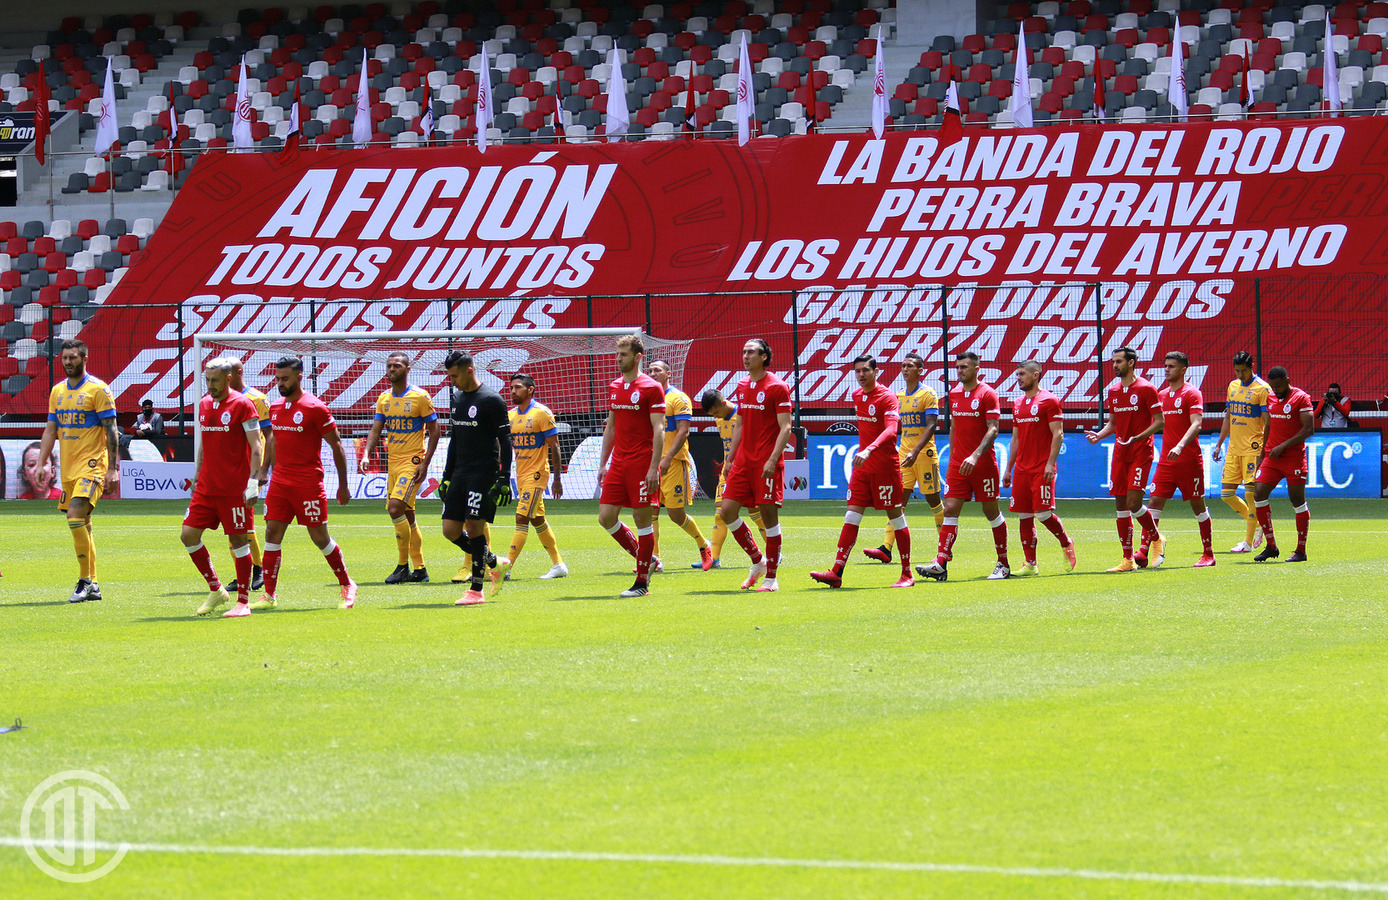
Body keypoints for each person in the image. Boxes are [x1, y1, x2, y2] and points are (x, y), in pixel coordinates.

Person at [255, 356, 357, 610]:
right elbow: (274, 442)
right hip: (279, 482)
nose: (280, 383)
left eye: (285, 378)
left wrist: (343, 485)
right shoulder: (276, 407)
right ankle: (269, 595)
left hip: (308, 483)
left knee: (319, 537)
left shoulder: (315, 407)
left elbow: (336, 445)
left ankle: (347, 584)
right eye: (277, 378)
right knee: (271, 533)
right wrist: (264, 470)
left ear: (299, 376)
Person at [812, 355, 913, 588]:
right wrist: (865, 453)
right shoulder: (857, 395)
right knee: (851, 516)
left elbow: (891, 430)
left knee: (895, 516)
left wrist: (869, 450)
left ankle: (907, 574)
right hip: (863, 469)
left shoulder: (887, 397)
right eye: (857, 371)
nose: (861, 375)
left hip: (885, 467)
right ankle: (836, 572)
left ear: (876, 371)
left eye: (865, 370)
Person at [37, 339, 119, 603]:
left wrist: (113, 469)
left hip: (94, 465)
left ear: (85, 359)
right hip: (69, 468)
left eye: (73, 357)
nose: (68, 362)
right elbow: (51, 430)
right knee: (82, 523)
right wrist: (41, 462)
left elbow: (111, 430)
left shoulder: (99, 390)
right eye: (65, 358)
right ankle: (93, 584)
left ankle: (84, 581)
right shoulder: (57, 391)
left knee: (74, 515)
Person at [916, 351, 1010, 582]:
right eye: (958, 367)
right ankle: (940, 563)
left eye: (964, 367)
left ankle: (1003, 564)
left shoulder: (988, 394)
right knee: (949, 509)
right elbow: (955, 425)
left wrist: (975, 456)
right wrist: (955, 454)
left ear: (977, 369)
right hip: (959, 464)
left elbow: (994, 428)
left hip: (983, 463)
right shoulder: (954, 394)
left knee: (991, 512)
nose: (960, 371)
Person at [185, 358, 264, 617]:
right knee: (188, 535)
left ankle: (242, 602)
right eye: (207, 380)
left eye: (215, 380)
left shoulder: (243, 405)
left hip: (234, 489)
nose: (210, 385)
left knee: (239, 541)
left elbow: (256, 446)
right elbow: (204, 443)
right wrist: (197, 475)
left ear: (228, 379)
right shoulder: (205, 404)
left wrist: (254, 482)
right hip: (207, 487)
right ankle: (216, 589)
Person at [717, 338, 793, 591]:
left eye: (751, 352)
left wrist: (773, 459)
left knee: (769, 518)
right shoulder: (741, 385)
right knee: (726, 511)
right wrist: (730, 458)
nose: (746, 356)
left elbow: (786, 427)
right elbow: (740, 424)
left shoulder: (778, 387)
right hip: (742, 462)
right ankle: (758, 561)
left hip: (765, 464)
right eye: (744, 352)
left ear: (764, 357)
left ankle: (771, 578)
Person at [361, 351, 440, 585]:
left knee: (395, 508)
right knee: (407, 515)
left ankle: (402, 566)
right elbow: (376, 429)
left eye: (397, 365)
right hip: (394, 464)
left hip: (413, 463)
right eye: (389, 366)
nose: (391, 369)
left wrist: (425, 463)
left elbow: (435, 431)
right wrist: (366, 453)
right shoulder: (384, 398)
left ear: (407, 369)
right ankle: (420, 568)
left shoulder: (420, 397)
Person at [440, 350, 513, 605]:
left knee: (473, 526)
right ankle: (495, 562)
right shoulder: (458, 398)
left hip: (484, 472)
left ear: (469, 370)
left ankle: (476, 590)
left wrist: (504, 478)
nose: (452, 381)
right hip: (461, 471)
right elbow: (455, 440)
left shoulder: (492, 400)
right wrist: (446, 476)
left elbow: (505, 439)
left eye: (455, 375)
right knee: (450, 530)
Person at [596, 335, 665, 598]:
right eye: (617, 353)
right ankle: (647, 560)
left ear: (637, 357)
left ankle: (641, 583)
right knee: (606, 517)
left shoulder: (651, 387)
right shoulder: (614, 386)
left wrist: (652, 468)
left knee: (641, 520)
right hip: (619, 463)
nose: (618, 358)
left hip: (641, 462)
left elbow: (659, 429)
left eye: (623, 354)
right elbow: (611, 427)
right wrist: (604, 463)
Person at [1085, 346, 1165, 573]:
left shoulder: (1147, 388)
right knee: (1120, 505)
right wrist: (1099, 435)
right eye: (1113, 362)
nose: (1114, 365)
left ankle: (1157, 538)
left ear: (1131, 363)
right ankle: (1128, 560)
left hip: (1141, 451)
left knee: (1133, 503)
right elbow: (1113, 422)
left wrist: (1137, 437)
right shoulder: (1113, 391)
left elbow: (1159, 421)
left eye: (1119, 361)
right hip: (1121, 453)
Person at [865, 351, 943, 564]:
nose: (905, 369)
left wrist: (915, 451)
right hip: (903, 456)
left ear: (920, 370)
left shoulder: (929, 394)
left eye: (910, 366)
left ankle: (944, 547)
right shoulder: (897, 396)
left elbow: (932, 425)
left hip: (924, 454)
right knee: (898, 501)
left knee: (933, 500)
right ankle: (886, 548)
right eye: (903, 366)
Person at [1004, 360, 1076, 575]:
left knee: (1043, 514)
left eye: (1022, 374)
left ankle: (1066, 543)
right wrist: (1009, 468)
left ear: (1036, 375)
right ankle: (1030, 564)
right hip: (1022, 469)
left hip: (1041, 468)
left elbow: (1058, 433)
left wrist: (1050, 463)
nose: (1018, 378)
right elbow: (1015, 439)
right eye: (1017, 374)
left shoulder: (1049, 400)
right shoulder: (1017, 403)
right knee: (1024, 516)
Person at [496, 373, 567, 581]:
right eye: (511, 388)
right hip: (521, 474)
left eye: (517, 387)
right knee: (538, 520)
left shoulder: (541, 413)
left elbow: (554, 447)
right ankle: (559, 565)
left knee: (521, 517)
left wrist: (557, 478)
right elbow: (504, 447)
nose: (513, 391)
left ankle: (506, 567)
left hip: (537, 474)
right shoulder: (509, 416)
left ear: (530, 389)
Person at [1148, 351, 1216, 568]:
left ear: (1183, 370)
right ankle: (1146, 549)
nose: (1167, 369)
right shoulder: (1161, 395)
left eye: (1172, 366)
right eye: (1165, 365)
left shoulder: (1192, 393)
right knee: (1153, 504)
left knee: (1198, 507)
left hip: (1189, 461)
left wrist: (1180, 445)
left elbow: (1197, 424)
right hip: (1167, 461)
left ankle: (1208, 554)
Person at [647, 359, 713, 570]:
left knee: (676, 514)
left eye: (657, 370)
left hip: (673, 463)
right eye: (649, 371)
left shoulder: (678, 398)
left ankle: (704, 545)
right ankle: (654, 560)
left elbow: (683, 431)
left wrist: (666, 458)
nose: (652, 373)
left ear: (668, 373)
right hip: (652, 464)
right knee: (651, 512)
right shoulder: (648, 399)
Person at [696, 389, 765, 569]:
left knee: (755, 513)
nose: (715, 416)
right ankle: (714, 559)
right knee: (720, 515)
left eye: (716, 412)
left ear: (724, 403)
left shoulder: (742, 417)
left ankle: (775, 553)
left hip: (747, 471)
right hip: (728, 472)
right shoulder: (720, 419)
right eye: (713, 415)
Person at [1253, 366, 1315, 563]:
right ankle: (1271, 546)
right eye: (1273, 386)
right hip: (1272, 456)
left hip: (1294, 457)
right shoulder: (1270, 397)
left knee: (1296, 499)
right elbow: (1269, 425)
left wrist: (1284, 445)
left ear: (1288, 379)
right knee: (1259, 493)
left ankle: (1301, 550)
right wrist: (1263, 452)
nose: (1276, 389)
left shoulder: (1301, 398)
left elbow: (1309, 429)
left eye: (1279, 386)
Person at [1211, 351, 1267, 554]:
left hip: (1253, 448)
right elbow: (1228, 417)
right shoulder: (1232, 387)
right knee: (1226, 494)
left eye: (1243, 371)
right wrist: (1219, 444)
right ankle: (1259, 522)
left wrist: (1264, 449)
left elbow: (1268, 421)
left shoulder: (1262, 388)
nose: (1240, 375)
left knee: (1251, 495)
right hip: (1234, 448)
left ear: (1252, 367)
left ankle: (1248, 542)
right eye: (1237, 371)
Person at [225, 358, 272, 593]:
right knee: (231, 521)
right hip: (230, 468)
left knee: (243, 520)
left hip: (250, 468)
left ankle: (257, 569)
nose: (226, 377)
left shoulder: (257, 398)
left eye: (229, 372)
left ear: (238, 372)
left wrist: (263, 469)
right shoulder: (223, 400)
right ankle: (240, 572)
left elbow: (269, 436)